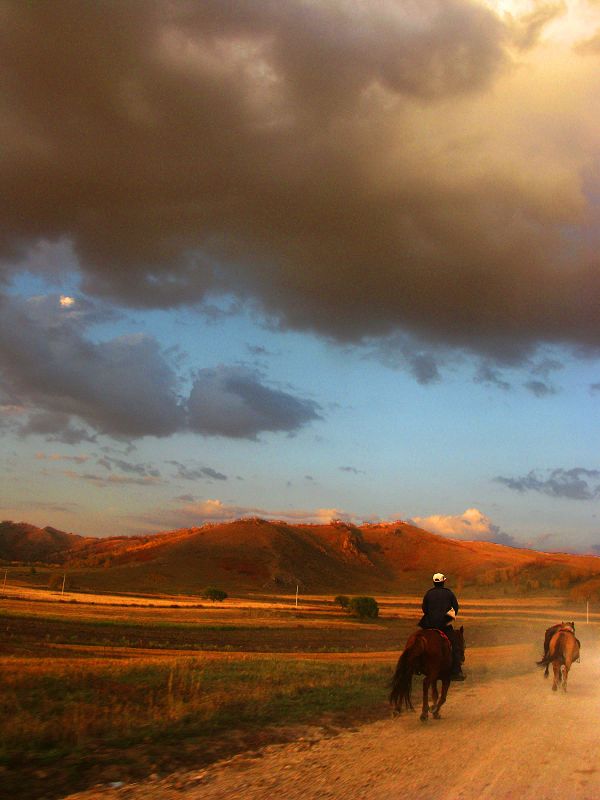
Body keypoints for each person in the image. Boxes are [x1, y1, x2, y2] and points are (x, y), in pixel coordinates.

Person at [419, 572, 465, 680]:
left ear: (434, 582)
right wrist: (448, 618)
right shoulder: (449, 593)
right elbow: (455, 608)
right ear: (443, 582)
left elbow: (424, 609)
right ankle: (456, 671)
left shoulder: (428, 593)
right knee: (455, 646)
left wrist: (431, 617)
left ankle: (416, 666)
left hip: (428, 625)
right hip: (443, 626)